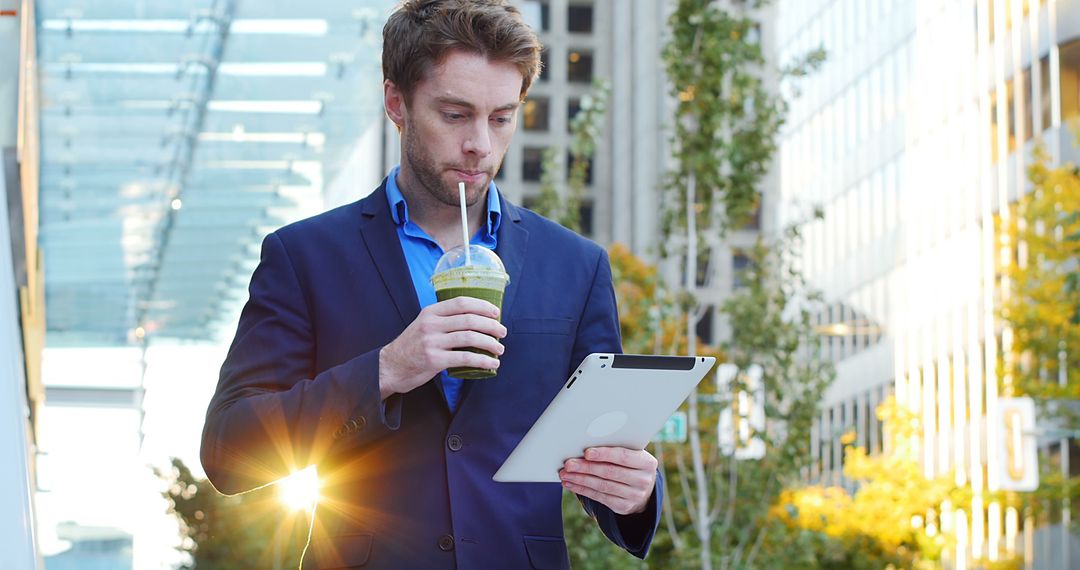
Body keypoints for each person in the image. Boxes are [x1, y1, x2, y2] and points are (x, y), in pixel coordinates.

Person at [200, 1, 663, 567]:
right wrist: (388, 369)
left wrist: (635, 492)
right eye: (454, 115)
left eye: (500, 118)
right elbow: (229, 450)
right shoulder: (304, 257)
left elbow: (598, 442)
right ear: (397, 102)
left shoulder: (575, 264)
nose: (480, 146)